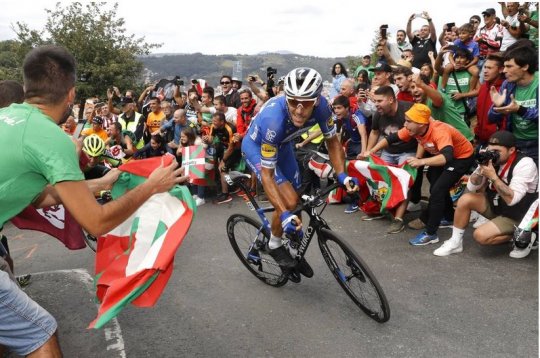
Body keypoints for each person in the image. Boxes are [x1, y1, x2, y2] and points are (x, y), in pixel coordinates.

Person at [0, 45, 185, 357]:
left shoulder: (7, 116)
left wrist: (102, 181)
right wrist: (151, 188)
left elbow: (41, 196)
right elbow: (97, 223)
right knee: (40, 333)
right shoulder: (53, 137)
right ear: (71, 95)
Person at [241, 67, 357, 281]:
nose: (299, 110)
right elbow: (267, 175)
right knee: (290, 201)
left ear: (317, 100)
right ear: (286, 98)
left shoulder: (323, 108)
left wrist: (343, 175)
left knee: (298, 199)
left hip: (284, 146)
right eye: (293, 102)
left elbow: (333, 142)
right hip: (258, 147)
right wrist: (284, 213)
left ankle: (290, 241)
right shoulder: (273, 119)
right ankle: (274, 244)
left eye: (306, 103)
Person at [367, 103, 474, 246]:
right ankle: (448, 216)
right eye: (405, 120)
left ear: (422, 123)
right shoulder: (414, 129)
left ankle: (431, 234)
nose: (405, 124)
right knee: (433, 181)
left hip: (461, 158)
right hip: (442, 156)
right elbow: (391, 139)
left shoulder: (439, 131)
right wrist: (372, 151)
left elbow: (446, 157)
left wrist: (421, 161)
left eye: (408, 121)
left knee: (437, 191)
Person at [433, 131, 538, 258]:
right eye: (490, 150)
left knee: (480, 236)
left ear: (511, 150)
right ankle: (455, 242)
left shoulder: (525, 164)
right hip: (498, 205)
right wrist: (480, 169)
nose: (493, 155)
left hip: (519, 214)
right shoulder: (491, 161)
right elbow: (472, 187)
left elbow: (512, 200)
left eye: (497, 151)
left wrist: (493, 176)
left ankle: (525, 235)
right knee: (466, 199)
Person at [488, 45, 538, 164]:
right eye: (504, 66)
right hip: (516, 142)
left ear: (525, 66)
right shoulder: (508, 84)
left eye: (509, 66)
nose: (504, 70)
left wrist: (519, 109)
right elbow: (490, 118)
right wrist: (498, 106)